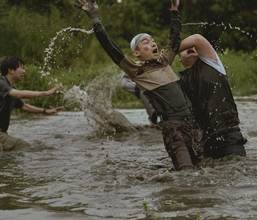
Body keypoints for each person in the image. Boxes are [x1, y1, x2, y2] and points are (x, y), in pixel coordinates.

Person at [75, 0, 199, 170]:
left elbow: (175, 38)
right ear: (137, 53)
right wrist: (95, 18)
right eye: (145, 42)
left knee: (201, 167)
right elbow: (111, 48)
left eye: (152, 40)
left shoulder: (165, 61)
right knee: (186, 173)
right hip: (174, 129)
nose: (152, 43)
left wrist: (175, 12)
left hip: (193, 124)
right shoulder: (136, 70)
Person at [179, 34, 247, 159]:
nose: (191, 48)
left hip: (229, 136)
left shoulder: (212, 63)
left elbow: (197, 39)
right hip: (205, 141)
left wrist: (168, 52)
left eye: (192, 47)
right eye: (185, 48)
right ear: (179, 59)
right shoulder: (179, 82)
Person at [0, 57, 63, 151]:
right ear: (11, 70)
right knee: (23, 146)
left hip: (2, 133)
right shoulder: (1, 83)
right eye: (21, 67)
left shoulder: (10, 87)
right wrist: (46, 93)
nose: (24, 71)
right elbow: (18, 94)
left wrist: (45, 111)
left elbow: (24, 106)